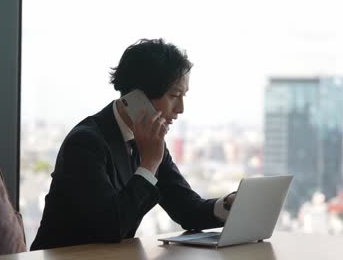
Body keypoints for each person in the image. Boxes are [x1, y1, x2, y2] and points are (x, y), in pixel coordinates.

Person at [30, 38, 236, 250]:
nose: (181, 109)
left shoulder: (151, 143)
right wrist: (148, 165)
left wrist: (228, 206)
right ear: (138, 97)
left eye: (183, 96)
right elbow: (110, 227)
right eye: (174, 95)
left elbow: (187, 209)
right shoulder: (85, 143)